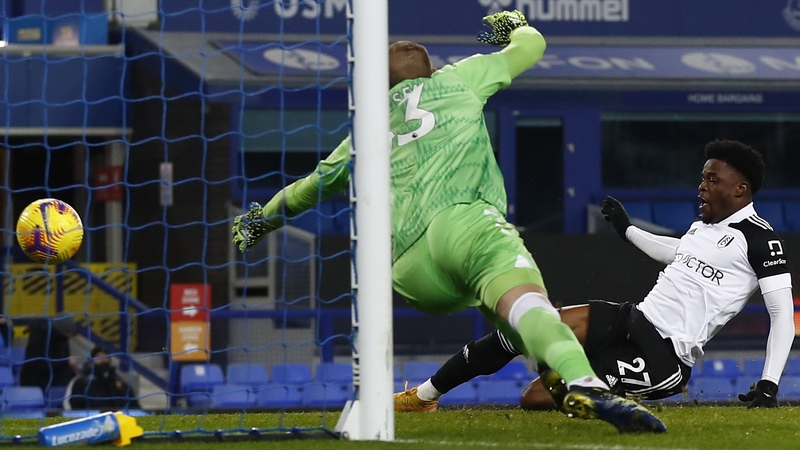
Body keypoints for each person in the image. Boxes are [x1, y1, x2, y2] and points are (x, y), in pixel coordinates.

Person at [231, 10, 665, 433]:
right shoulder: (457, 79)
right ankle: (585, 383)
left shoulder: (365, 129)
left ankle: (516, 375)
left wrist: (258, 222)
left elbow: (308, 188)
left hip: (410, 272)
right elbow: (533, 46)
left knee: (501, 310)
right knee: (529, 304)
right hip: (464, 223)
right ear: (432, 71)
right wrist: (514, 25)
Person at [400, 139, 794, 411]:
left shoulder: (761, 240)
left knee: (534, 399)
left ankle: (613, 392)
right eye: (703, 177)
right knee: (521, 329)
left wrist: (769, 383)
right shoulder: (703, 228)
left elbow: (781, 315)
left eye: (712, 180)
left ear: (740, 189)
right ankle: (424, 396)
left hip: (664, 356)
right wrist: (628, 230)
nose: (701, 186)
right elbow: (677, 252)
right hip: (631, 318)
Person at [65, 346, 140, 410]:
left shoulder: (119, 382)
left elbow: (134, 405)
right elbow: (69, 405)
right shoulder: (80, 382)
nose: (103, 360)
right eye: (99, 357)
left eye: (106, 357)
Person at [19, 314, 79, 393]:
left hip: (56, 380)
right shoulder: (39, 339)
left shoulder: (62, 339)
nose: (70, 336)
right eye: (69, 333)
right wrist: (66, 362)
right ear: (62, 331)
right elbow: (38, 365)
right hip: (36, 383)